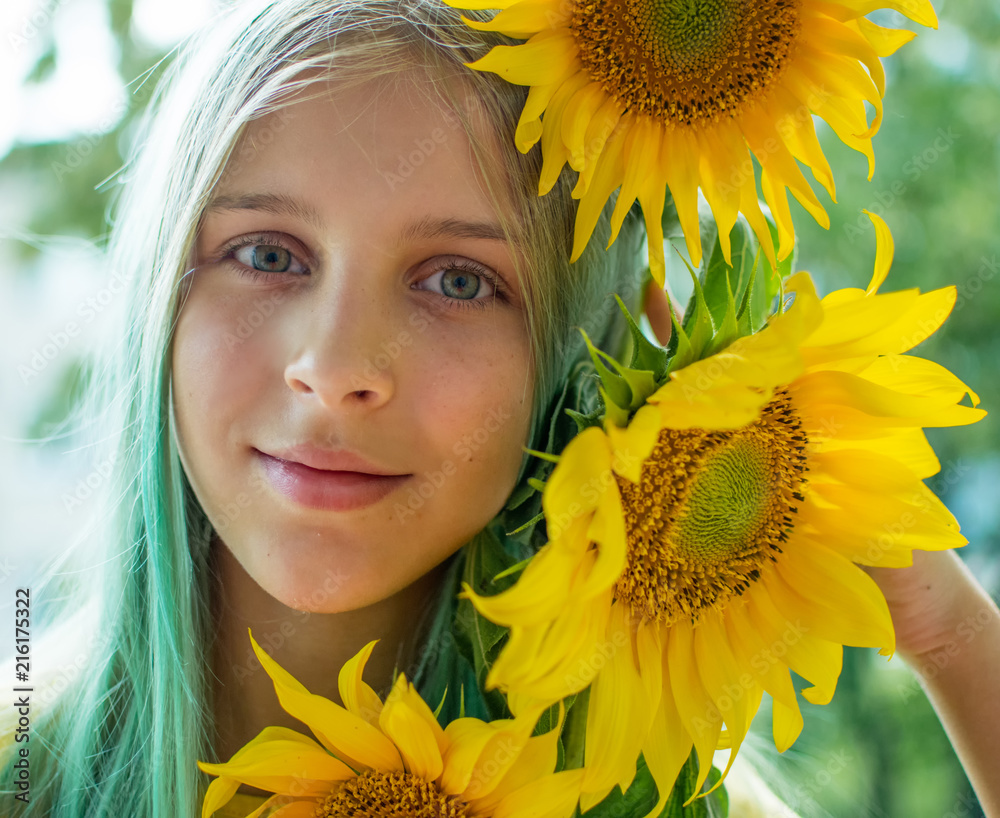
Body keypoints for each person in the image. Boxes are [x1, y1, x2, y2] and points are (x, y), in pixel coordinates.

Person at [1, 0, 998, 817]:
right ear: (161, 299)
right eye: (267, 254)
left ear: (591, 347)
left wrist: (950, 634)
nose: (337, 366)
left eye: (458, 281)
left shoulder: (656, 801)